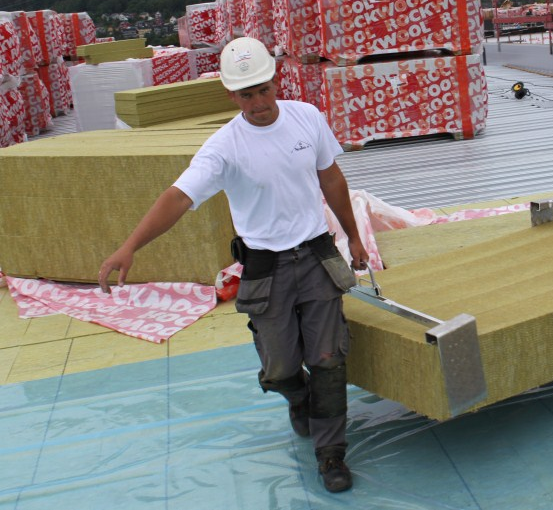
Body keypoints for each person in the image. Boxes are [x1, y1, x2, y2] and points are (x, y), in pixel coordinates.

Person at [97, 36, 368, 493]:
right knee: (280, 368)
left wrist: (354, 234)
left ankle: (331, 454)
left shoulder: (307, 118)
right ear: (231, 95)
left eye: (264, 89)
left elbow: (331, 176)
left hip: (317, 254)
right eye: (247, 94)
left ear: (275, 79)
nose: (259, 102)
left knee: (327, 359)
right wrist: (130, 246)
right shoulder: (224, 147)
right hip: (265, 268)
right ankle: (297, 398)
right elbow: (178, 197)